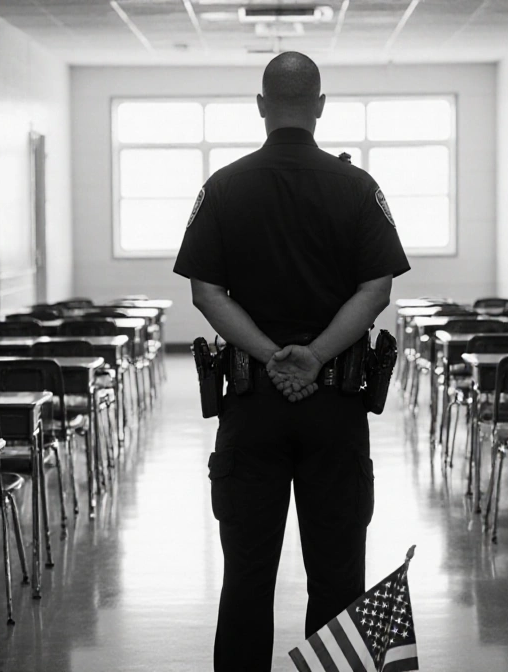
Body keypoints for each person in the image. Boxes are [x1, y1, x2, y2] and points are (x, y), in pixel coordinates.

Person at [173, 51, 410, 671]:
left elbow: (205, 292)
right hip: (335, 408)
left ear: (260, 106)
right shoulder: (358, 187)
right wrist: (315, 357)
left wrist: (272, 357)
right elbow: (376, 290)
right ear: (321, 106)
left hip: (252, 409)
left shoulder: (223, 186)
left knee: (247, 577)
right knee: (336, 578)